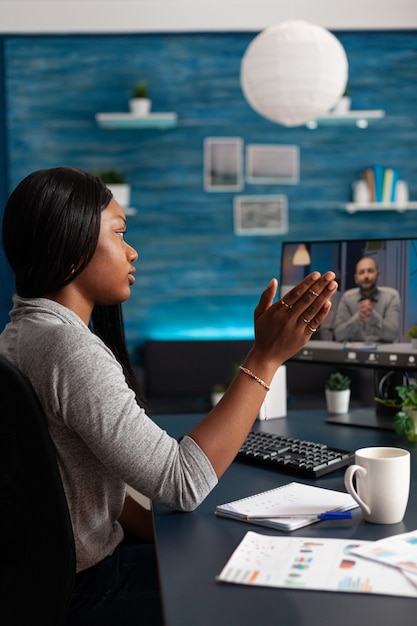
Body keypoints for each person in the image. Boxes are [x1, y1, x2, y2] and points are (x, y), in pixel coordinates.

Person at [0, 167, 337, 625]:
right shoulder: (67, 349)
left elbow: (93, 490)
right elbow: (183, 482)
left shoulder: (21, 334)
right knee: (277, 602)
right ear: (74, 241)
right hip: (86, 590)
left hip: (49, 581)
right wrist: (264, 359)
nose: (132, 251)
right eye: (119, 233)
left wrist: (173, 541)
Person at [333, 256, 400, 343]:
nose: (366, 276)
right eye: (361, 272)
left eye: (370, 271)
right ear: (356, 278)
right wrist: (358, 318)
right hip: (352, 352)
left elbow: (392, 335)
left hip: (383, 353)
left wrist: (373, 317)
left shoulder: (391, 296)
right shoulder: (347, 297)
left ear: (378, 275)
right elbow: (339, 335)